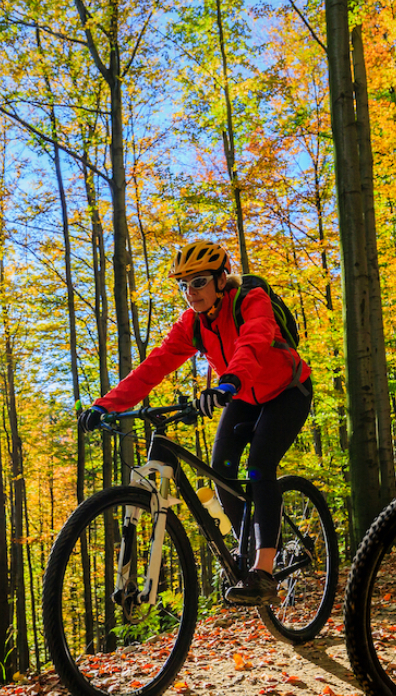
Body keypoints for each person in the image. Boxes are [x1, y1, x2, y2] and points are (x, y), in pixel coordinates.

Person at [78, 241, 313, 606]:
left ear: (222, 279)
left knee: (258, 468)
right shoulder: (193, 324)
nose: (191, 292)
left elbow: (255, 339)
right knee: (221, 472)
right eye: (184, 285)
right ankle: (249, 555)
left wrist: (228, 382)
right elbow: (152, 367)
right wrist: (104, 406)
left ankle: (265, 571)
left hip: (286, 390)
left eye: (199, 281)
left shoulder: (249, 300)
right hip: (244, 395)